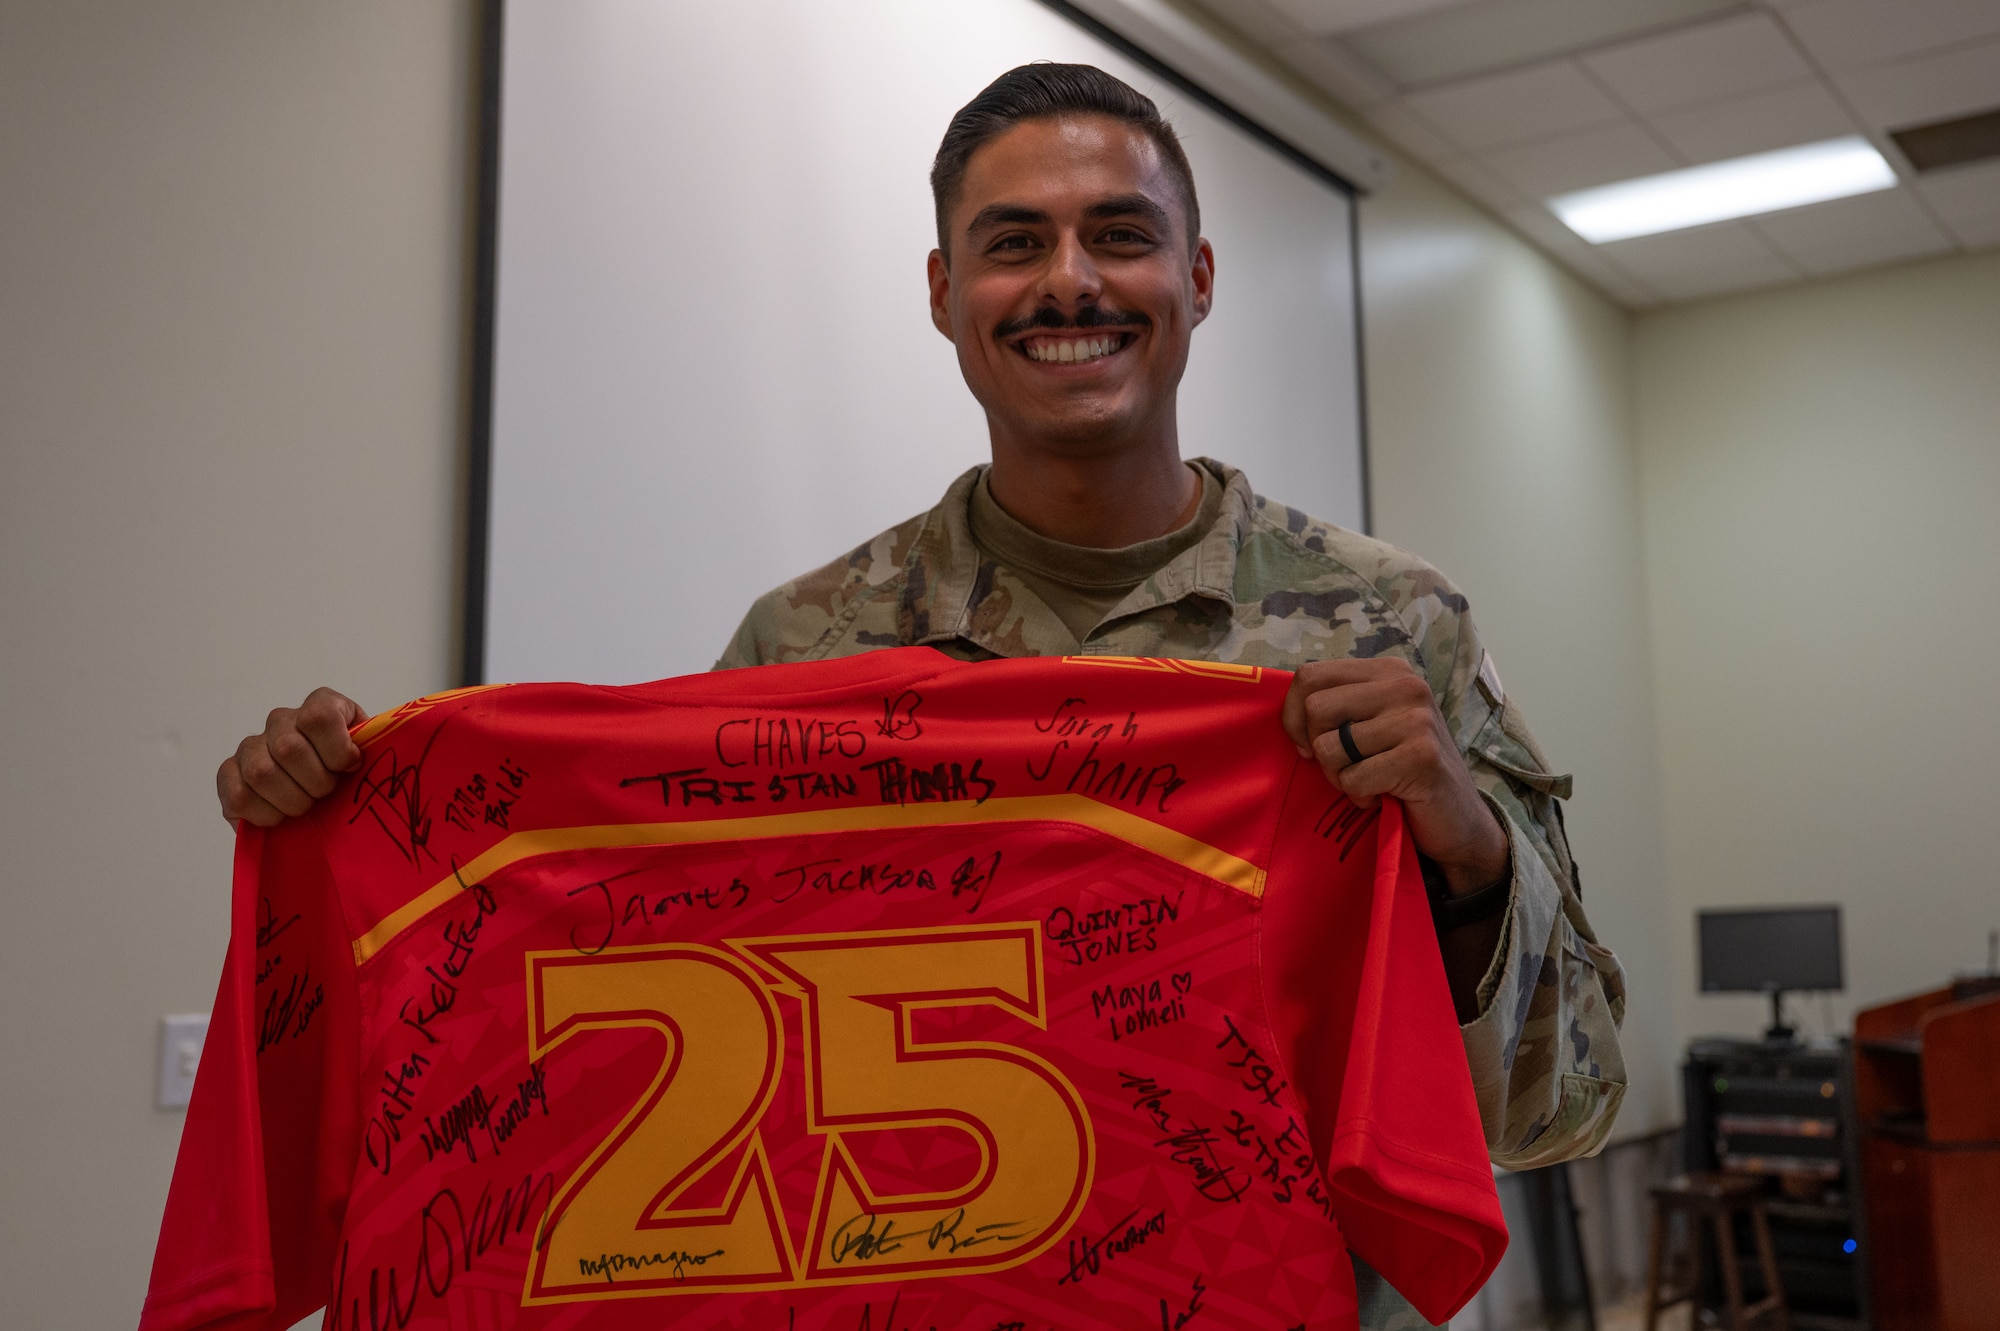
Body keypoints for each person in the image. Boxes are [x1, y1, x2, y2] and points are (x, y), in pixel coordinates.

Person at [214, 63, 1625, 1329]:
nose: (1070, 282)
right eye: (1015, 244)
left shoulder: (1391, 625)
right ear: (946, 294)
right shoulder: (803, 646)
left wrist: (1470, 856)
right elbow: (641, 993)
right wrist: (348, 813)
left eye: (1119, 236)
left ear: (1197, 277)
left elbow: (1566, 1105)